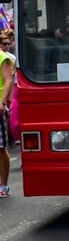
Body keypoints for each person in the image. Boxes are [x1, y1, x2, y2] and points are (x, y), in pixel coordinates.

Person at [0, 40, 14, 198]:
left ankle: (3, 185)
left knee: (0, 147)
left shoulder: (2, 57)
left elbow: (8, 80)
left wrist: (2, 101)